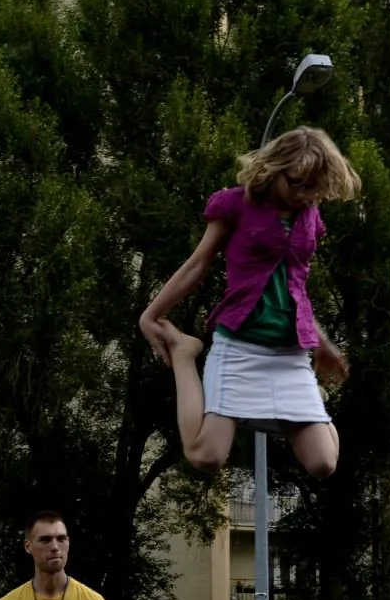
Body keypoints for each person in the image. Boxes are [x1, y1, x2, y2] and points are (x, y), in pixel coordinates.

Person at [138, 126, 362, 480]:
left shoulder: (309, 216)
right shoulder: (235, 205)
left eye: (312, 188)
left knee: (323, 463)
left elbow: (294, 288)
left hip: (290, 354)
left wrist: (322, 344)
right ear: (275, 167)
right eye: (296, 183)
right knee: (206, 456)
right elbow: (198, 263)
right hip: (240, 347)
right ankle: (184, 354)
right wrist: (151, 314)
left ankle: (311, 402)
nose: (303, 195)